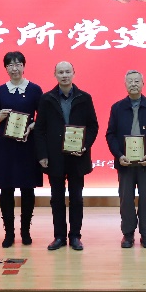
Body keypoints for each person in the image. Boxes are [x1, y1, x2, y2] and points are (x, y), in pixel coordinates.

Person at [35, 61, 98, 251]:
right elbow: (40, 129)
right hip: (54, 157)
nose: (64, 75)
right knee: (57, 198)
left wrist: (85, 146)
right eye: (61, 72)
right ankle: (59, 236)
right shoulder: (47, 99)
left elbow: (93, 126)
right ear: (55, 75)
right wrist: (42, 154)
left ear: (73, 73)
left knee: (76, 198)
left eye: (67, 72)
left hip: (78, 156)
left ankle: (75, 236)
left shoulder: (84, 98)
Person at [0, 51, 44, 248]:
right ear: (6, 68)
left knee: (28, 188)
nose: (15, 68)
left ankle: (25, 231)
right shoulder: (0, 91)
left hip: (27, 144)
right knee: (6, 189)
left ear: (24, 66)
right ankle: (9, 233)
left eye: (18, 64)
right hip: (6, 146)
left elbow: (42, 117)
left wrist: (31, 127)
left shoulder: (35, 89)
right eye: (10, 65)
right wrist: (1, 116)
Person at [105, 70, 146, 249]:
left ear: (143, 84)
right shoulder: (117, 108)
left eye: (137, 81)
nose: (133, 84)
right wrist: (119, 155)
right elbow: (110, 134)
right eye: (130, 81)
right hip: (125, 162)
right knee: (126, 199)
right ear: (125, 84)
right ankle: (128, 234)